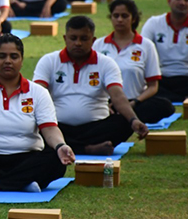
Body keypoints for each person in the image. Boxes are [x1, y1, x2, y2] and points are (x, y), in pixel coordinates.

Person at [0, 34, 75, 193]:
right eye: (2, 56)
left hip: (27, 160)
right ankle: (22, 183)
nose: (8, 61)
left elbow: (50, 128)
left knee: (55, 159)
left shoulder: (38, 92)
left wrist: (60, 146)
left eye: (14, 56)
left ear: (21, 60)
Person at [34, 16, 149, 156]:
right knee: (38, 126)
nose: (78, 43)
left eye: (84, 39)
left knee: (124, 121)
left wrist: (134, 120)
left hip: (96, 127)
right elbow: (37, 95)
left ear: (93, 40)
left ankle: (69, 146)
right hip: (58, 126)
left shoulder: (106, 63)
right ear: (65, 38)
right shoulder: (49, 61)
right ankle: (87, 149)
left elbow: (118, 96)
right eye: (73, 38)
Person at [93, 0, 175, 124]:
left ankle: (122, 118)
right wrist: (103, 104)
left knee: (165, 106)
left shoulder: (146, 45)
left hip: (135, 101)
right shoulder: (99, 45)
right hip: (107, 102)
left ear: (134, 18)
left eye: (124, 16)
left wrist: (135, 102)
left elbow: (153, 86)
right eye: (116, 16)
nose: (120, 20)